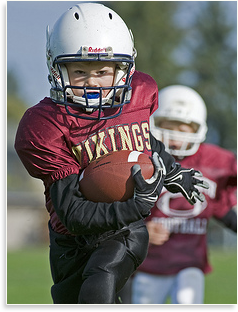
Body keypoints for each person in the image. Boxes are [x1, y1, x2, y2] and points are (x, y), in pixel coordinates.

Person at [14, 4, 207, 304]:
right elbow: (74, 214)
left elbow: (146, 145)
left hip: (122, 230)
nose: (92, 82)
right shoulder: (46, 125)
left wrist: (172, 171)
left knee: (100, 281)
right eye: (79, 71)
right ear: (57, 69)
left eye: (102, 72)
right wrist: (137, 205)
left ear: (123, 70)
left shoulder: (138, 98)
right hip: (70, 239)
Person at [132, 85, 237, 304]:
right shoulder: (139, 159)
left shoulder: (215, 161)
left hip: (190, 263)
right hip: (149, 263)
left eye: (183, 129)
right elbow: (118, 210)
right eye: (167, 127)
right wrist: (138, 231)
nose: (175, 139)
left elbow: (222, 206)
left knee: (187, 298)